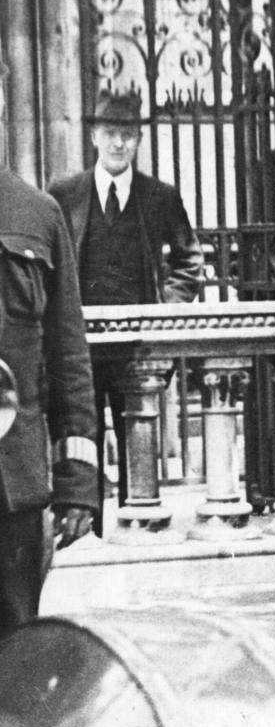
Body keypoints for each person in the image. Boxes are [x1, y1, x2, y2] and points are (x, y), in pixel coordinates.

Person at [48, 90, 203, 522]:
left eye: (128, 135)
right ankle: (86, 526)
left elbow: (190, 261)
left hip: (138, 347)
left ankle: (138, 525)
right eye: (111, 133)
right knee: (81, 436)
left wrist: (163, 311)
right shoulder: (65, 194)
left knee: (139, 439)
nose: (119, 144)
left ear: (138, 140)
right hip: (81, 347)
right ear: (95, 136)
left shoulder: (160, 197)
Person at [0, 164, 99, 634]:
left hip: (12, 486)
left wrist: (77, 480)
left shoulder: (39, 213)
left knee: (15, 649)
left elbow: (68, 357)